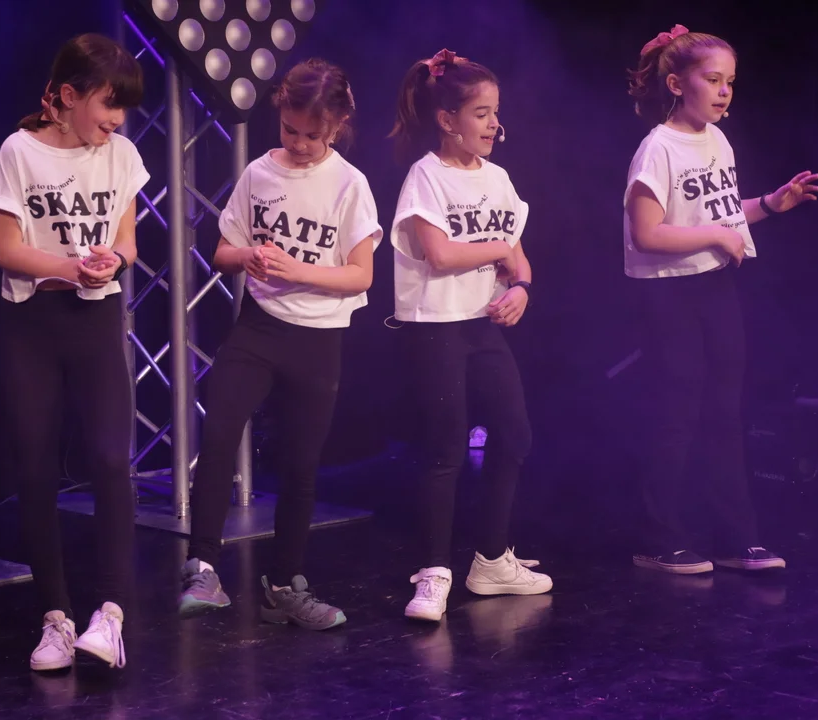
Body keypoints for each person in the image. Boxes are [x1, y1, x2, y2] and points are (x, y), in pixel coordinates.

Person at [176, 59, 382, 630]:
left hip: (318, 338)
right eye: (289, 129)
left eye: (311, 135)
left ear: (336, 126)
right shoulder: (259, 173)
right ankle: (202, 567)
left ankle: (285, 586)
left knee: (301, 463)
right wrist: (249, 256)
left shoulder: (349, 184)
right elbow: (223, 251)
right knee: (219, 433)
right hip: (259, 327)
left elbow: (361, 274)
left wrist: (298, 270)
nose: (298, 143)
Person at [0, 33, 149, 670]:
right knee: (36, 468)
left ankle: (111, 615)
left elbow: (127, 240)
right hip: (33, 325)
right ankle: (55, 618)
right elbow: (6, 248)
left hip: (95, 320)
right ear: (68, 96)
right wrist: (70, 267)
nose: (117, 118)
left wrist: (112, 260)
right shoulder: (19, 151)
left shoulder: (121, 155)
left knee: (110, 460)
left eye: (124, 107)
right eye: (108, 102)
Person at [624, 25, 818, 574]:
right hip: (669, 292)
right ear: (675, 84)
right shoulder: (658, 148)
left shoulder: (716, 140)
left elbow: (722, 216)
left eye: (729, 81)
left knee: (725, 413)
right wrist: (715, 235)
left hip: (714, 286)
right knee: (677, 413)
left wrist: (770, 205)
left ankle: (736, 538)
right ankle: (658, 539)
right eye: (712, 79)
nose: (724, 90)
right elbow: (647, 233)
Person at [388, 48, 553, 623]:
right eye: (481, 114)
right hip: (435, 326)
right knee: (445, 449)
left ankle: (492, 559)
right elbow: (439, 254)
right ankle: (434, 571)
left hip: (482, 325)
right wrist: (499, 250)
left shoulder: (498, 179)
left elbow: (518, 258)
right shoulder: (425, 177)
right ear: (447, 119)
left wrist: (522, 287)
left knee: (515, 433)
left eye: (495, 113)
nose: (493, 124)